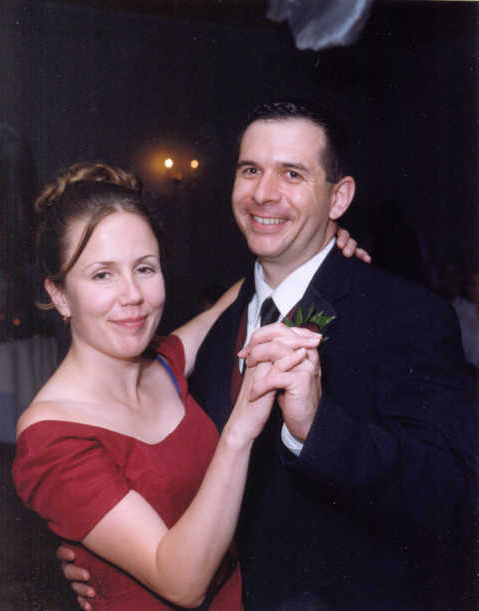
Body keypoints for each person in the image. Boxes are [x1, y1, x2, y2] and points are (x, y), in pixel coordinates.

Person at [61, 101, 476, 610]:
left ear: (339, 197)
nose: (263, 193)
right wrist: (111, 553)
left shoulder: (407, 316)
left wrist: (316, 429)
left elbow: (456, 499)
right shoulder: (216, 329)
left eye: (292, 173)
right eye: (251, 170)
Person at [13, 162, 327, 609]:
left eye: (145, 268)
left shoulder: (164, 362)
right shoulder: (50, 436)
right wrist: (240, 429)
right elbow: (182, 584)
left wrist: (322, 250)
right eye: (102, 274)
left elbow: (241, 296)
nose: (133, 296)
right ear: (60, 295)